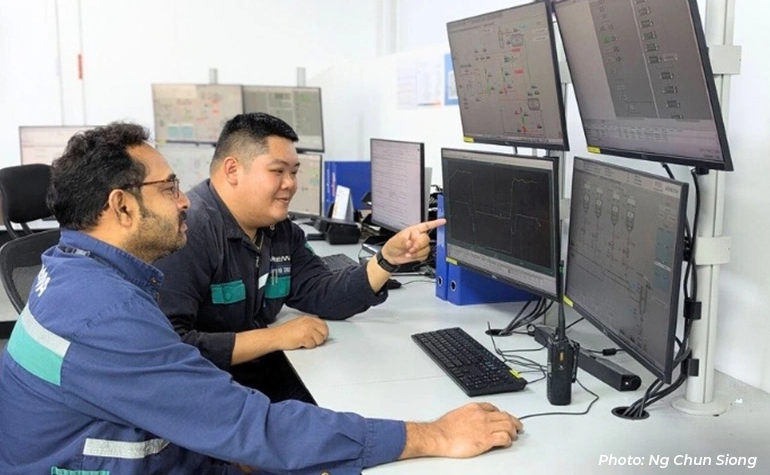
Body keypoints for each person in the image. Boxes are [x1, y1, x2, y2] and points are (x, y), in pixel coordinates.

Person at [0, 122, 522, 473]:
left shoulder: (77, 272)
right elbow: (249, 426)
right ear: (122, 207)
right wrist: (433, 435)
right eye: (168, 188)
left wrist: (382, 262)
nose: (183, 200)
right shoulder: (106, 312)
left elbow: (318, 293)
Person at [154, 112, 442, 403]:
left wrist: (387, 260)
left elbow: (323, 293)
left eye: (293, 172)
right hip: (206, 392)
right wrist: (277, 337)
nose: (290, 184)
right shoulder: (186, 234)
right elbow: (170, 348)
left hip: (253, 376)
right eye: (277, 171)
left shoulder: (279, 231)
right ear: (232, 171)